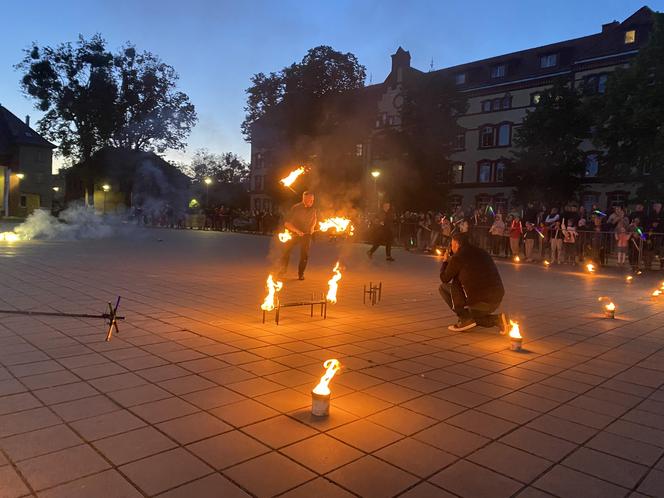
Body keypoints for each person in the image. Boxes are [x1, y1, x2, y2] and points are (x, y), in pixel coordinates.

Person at [439, 232, 507, 332]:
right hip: (496, 298)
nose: (451, 247)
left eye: (452, 245)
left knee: (444, 287)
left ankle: (465, 318)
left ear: (457, 244)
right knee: (459, 282)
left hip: (480, 301)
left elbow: (445, 278)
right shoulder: (482, 252)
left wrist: (445, 262)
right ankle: (498, 319)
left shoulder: (458, 257)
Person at [278, 191, 317, 280]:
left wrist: (312, 227)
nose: (311, 202)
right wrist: (297, 231)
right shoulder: (296, 208)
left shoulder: (313, 209)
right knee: (286, 251)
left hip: (306, 235)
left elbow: (314, 218)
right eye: (309, 200)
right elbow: (287, 223)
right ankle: (283, 270)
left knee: (304, 255)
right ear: (304, 199)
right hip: (293, 234)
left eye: (312, 200)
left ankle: (301, 274)